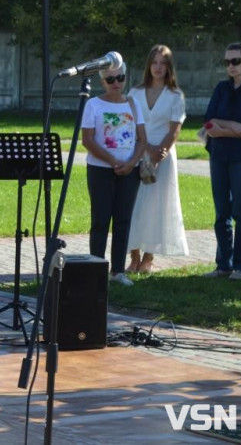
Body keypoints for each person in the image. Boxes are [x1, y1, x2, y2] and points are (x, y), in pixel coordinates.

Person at [81, 63, 147, 286]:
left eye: (120, 78)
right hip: (100, 170)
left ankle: (118, 271)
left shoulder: (133, 103)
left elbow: (142, 139)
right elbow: (87, 140)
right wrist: (112, 161)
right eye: (110, 80)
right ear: (102, 82)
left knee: (123, 221)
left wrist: (131, 163)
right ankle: (96, 268)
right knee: (100, 220)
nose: (116, 83)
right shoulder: (93, 104)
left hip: (130, 170)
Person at [126, 45, 189, 273]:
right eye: (154, 62)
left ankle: (148, 258)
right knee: (134, 205)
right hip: (136, 150)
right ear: (148, 65)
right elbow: (129, 122)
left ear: (169, 66)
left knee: (156, 207)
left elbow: (174, 129)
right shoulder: (134, 93)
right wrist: (146, 147)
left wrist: (159, 151)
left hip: (162, 157)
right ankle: (133, 256)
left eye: (163, 63)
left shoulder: (175, 96)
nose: (158, 67)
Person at [203, 42, 241, 280]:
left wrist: (223, 127)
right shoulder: (221, 88)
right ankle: (223, 265)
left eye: (236, 61)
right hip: (219, 155)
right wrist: (236, 127)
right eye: (227, 62)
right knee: (222, 212)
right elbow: (209, 123)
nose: (231, 66)